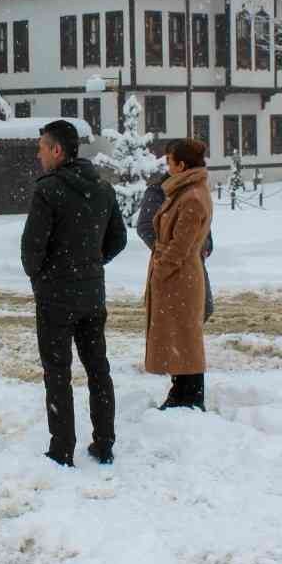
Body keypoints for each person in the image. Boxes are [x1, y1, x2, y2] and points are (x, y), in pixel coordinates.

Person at [21, 120, 128, 467]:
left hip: (55, 297)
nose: (38, 154)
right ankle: (104, 442)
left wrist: (42, 277)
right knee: (98, 369)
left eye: (41, 147)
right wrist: (91, 264)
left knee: (57, 372)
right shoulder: (102, 188)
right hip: (92, 295)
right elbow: (119, 239)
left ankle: (62, 448)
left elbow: (31, 249)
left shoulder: (48, 190)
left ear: (57, 150)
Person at [143, 139, 213, 411]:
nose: (166, 166)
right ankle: (181, 392)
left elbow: (180, 246)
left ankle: (190, 396)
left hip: (180, 277)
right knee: (179, 336)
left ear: (181, 165)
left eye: (169, 161)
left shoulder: (192, 197)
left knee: (185, 336)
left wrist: (160, 271)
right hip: (177, 276)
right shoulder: (185, 191)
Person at [136, 173, 213, 323]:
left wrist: (206, 245)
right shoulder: (157, 192)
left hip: (194, 263)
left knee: (202, 310)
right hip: (168, 266)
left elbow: (204, 226)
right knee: (168, 320)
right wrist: (169, 251)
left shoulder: (193, 191)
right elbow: (145, 227)